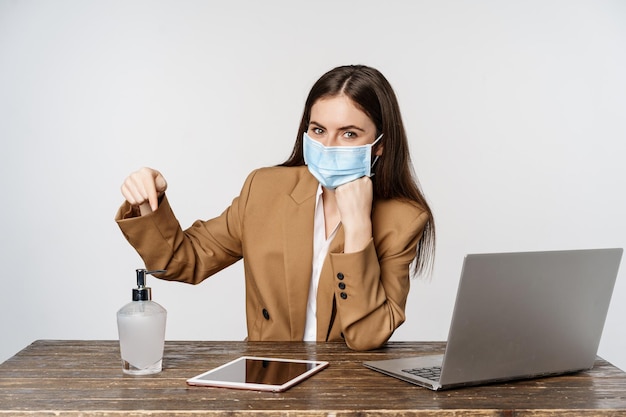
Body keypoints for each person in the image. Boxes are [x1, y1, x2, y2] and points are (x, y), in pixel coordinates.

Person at [116, 64, 435, 351]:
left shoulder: (403, 220)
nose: (327, 146)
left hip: (347, 389)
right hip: (267, 379)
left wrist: (358, 229)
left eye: (349, 134)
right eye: (318, 130)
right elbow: (178, 261)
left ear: (379, 143)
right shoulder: (265, 189)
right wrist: (148, 203)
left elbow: (366, 337)